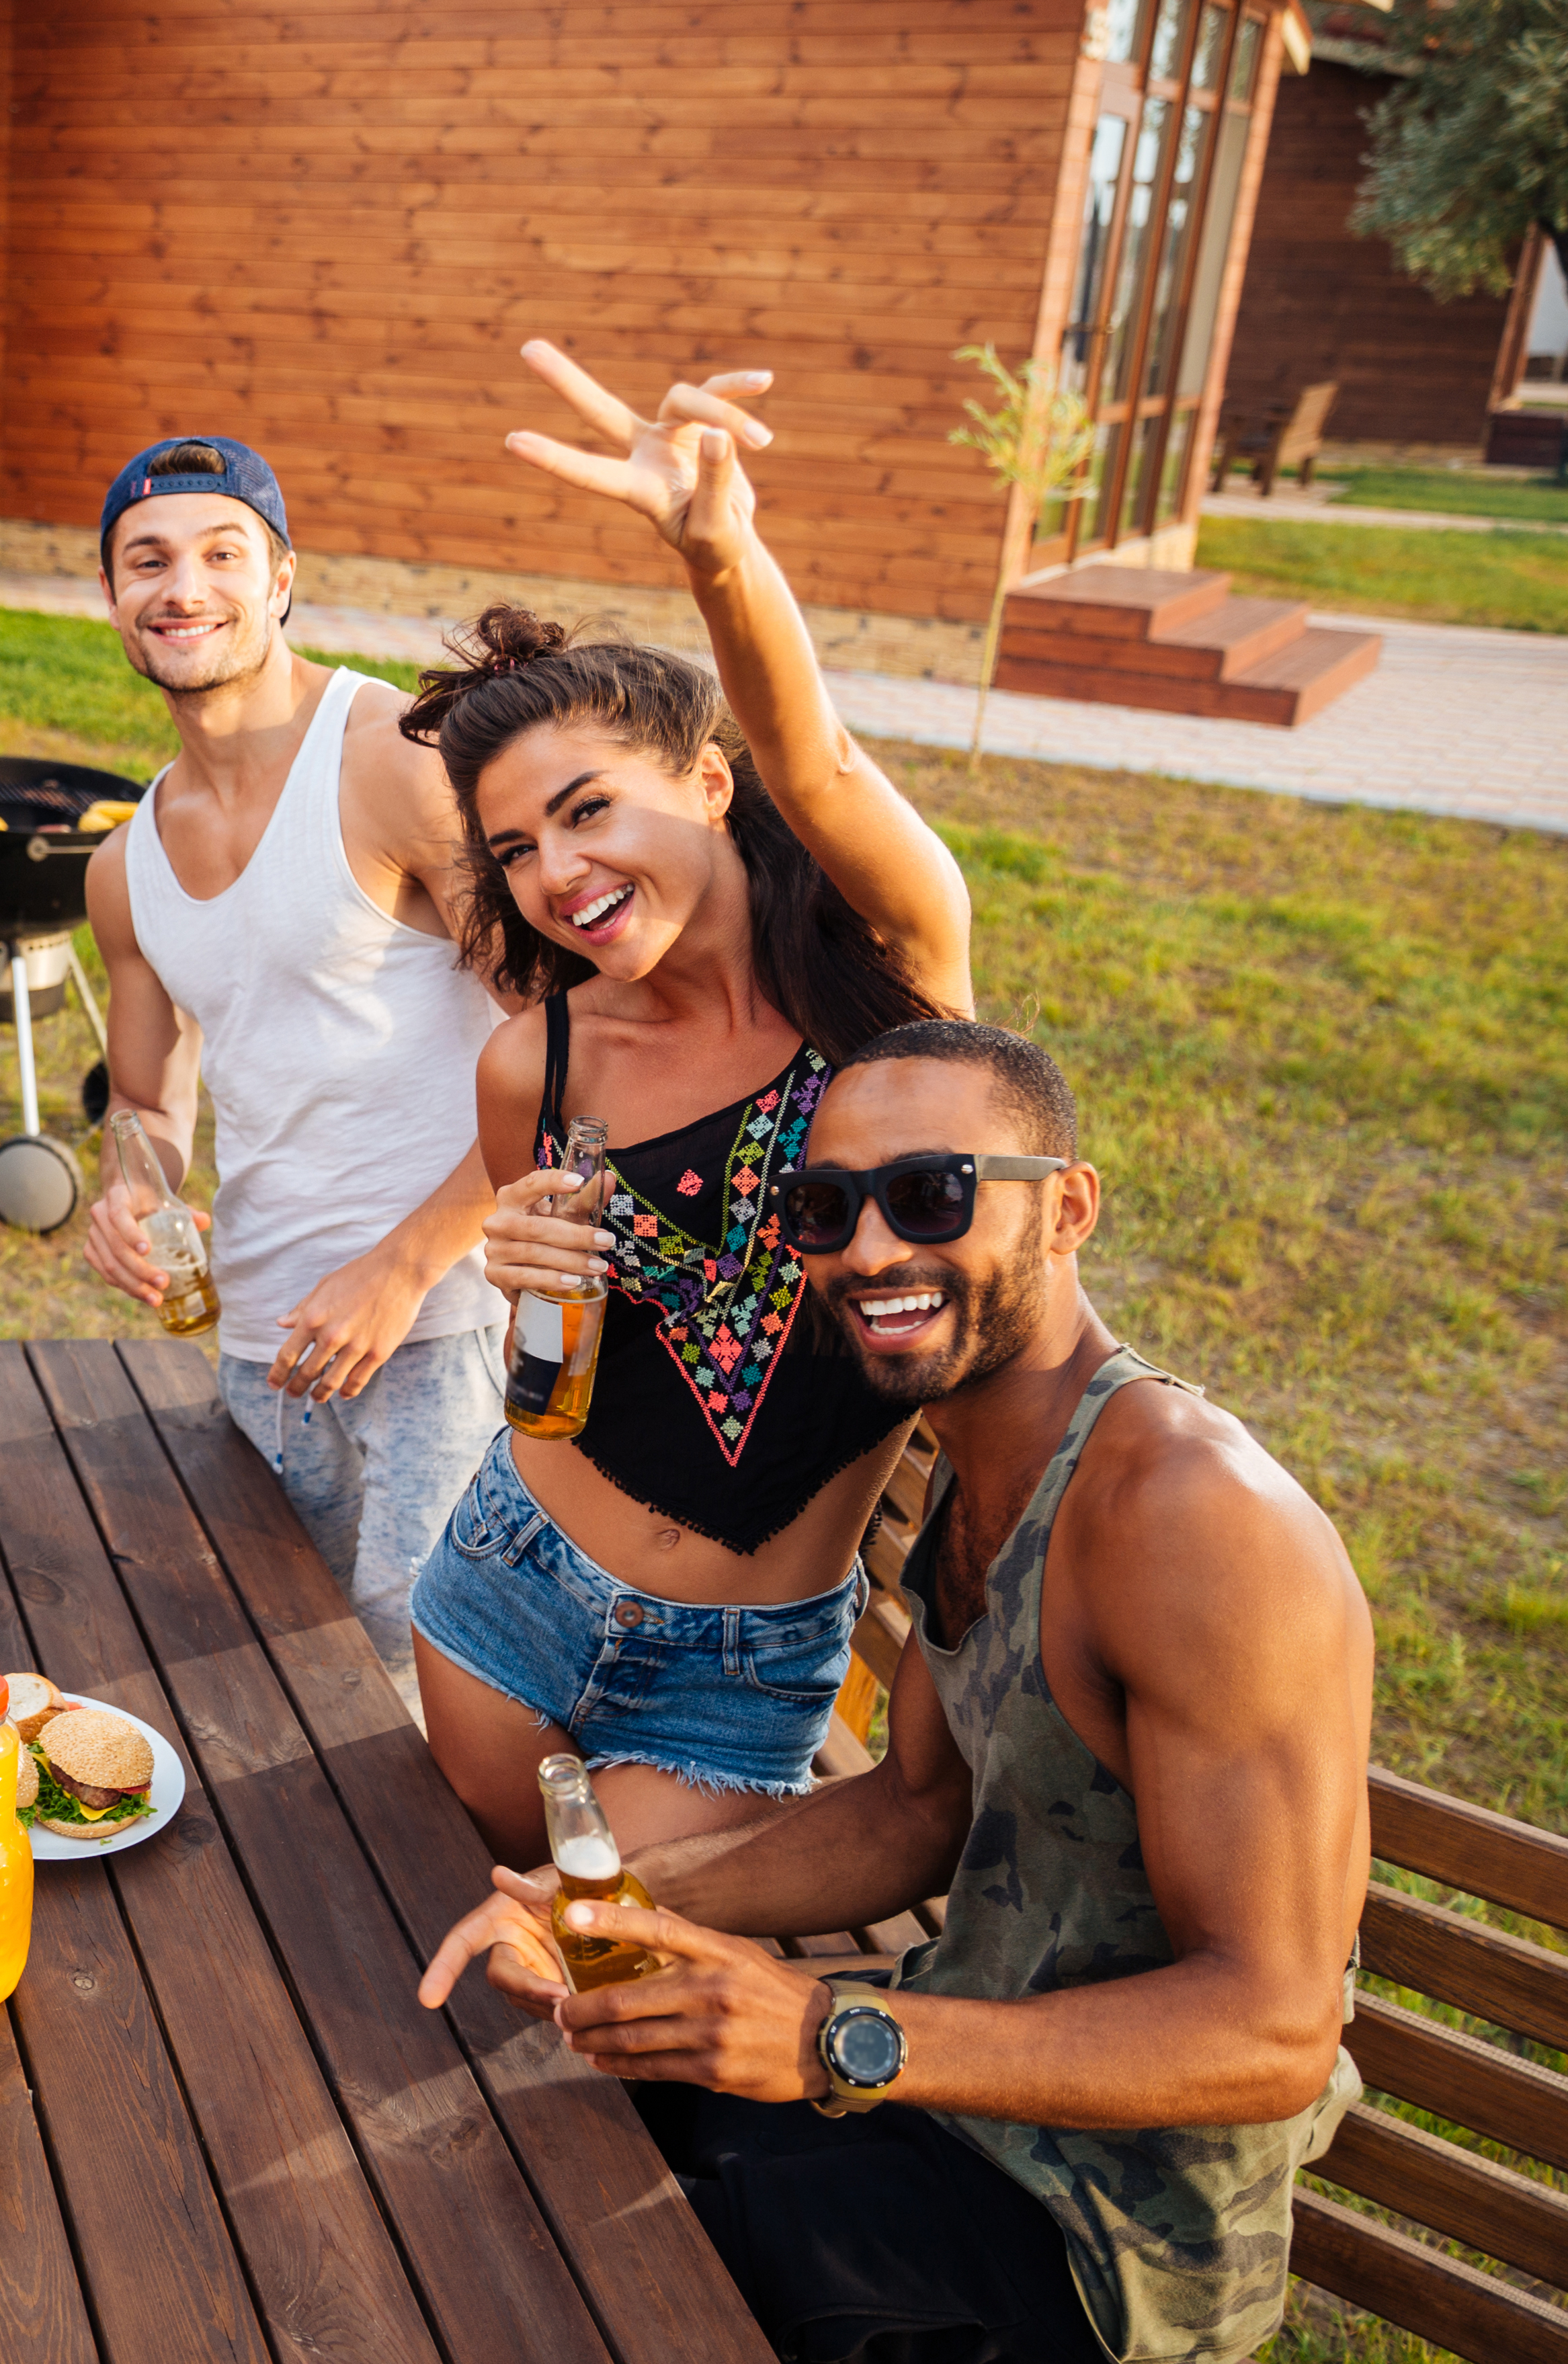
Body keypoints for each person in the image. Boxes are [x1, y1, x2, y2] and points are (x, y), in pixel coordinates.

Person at [416, 1022, 1369, 2364]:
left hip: (1102, 2242)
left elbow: (1273, 2028)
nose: (865, 1250)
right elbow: (911, 1812)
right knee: (508, 2163)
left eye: (930, 1193)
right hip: (947, 2092)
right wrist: (608, 1909)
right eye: (822, 1208)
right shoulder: (982, 1449)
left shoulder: (1192, 1519)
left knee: (548, 2285)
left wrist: (828, 2032)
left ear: (1068, 1205)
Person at [398, 344, 975, 1863]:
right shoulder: (539, 1064)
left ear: (713, 785)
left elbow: (826, 757)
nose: (558, 873)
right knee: (455, 1954)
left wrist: (718, 548)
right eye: (516, 846)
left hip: (739, 1677)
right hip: (500, 1592)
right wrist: (515, 1269)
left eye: (590, 808)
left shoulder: (892, 990)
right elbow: (557, 1359)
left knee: (596, 1984)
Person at [75, 435, 507, 1672]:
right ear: (112, 597)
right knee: (283, 1672)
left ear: (280, 579)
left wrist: (407, 1264)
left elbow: (566, 1045)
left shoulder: (397, 762)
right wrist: (130, 1185)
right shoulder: (127, 865)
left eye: (222, 553)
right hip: (267, 1339)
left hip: (443, 1318)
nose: (183, 587)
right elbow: (150, 1098)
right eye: (146, 560)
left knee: (433, 1689)